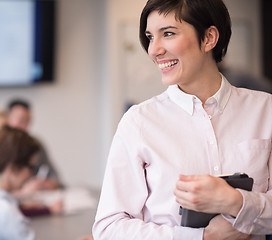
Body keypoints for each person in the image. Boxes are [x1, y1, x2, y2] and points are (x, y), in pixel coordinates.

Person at [93, 0, 272, 239]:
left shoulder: (266, 109)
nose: (154, 50)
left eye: (168, 33)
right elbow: (109, 228)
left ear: (209, 38)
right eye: (150, 37)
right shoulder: (138, 122)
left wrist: (236, 201)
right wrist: (200, 237)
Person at [7, 98, 63, 191]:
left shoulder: (35, 144)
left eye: (28, 121)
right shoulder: (0, 147)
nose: (25, 126)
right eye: (21, 121)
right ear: (7, 119)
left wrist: (44, 184)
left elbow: (54, 177)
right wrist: (23, 191)